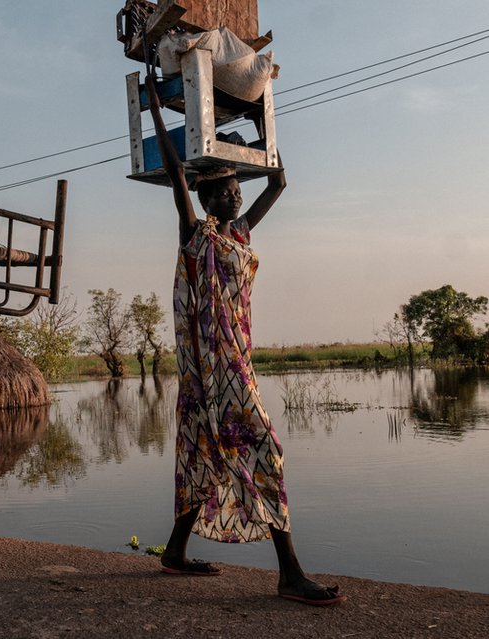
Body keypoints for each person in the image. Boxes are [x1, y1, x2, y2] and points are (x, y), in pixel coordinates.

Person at [156, 135, 345, 605]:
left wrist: (264, 137)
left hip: (235, 361)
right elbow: (178, 171)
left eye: (237, 190)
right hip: (211, 371)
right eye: (224, 192)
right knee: (266, 450)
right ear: (204, 198)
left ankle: (176, 551)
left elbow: (278, 182)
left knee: (202, 454)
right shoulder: (195, 234)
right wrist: (159, 111)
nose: (234, 197)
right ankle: (290, 575)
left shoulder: (239, 233)